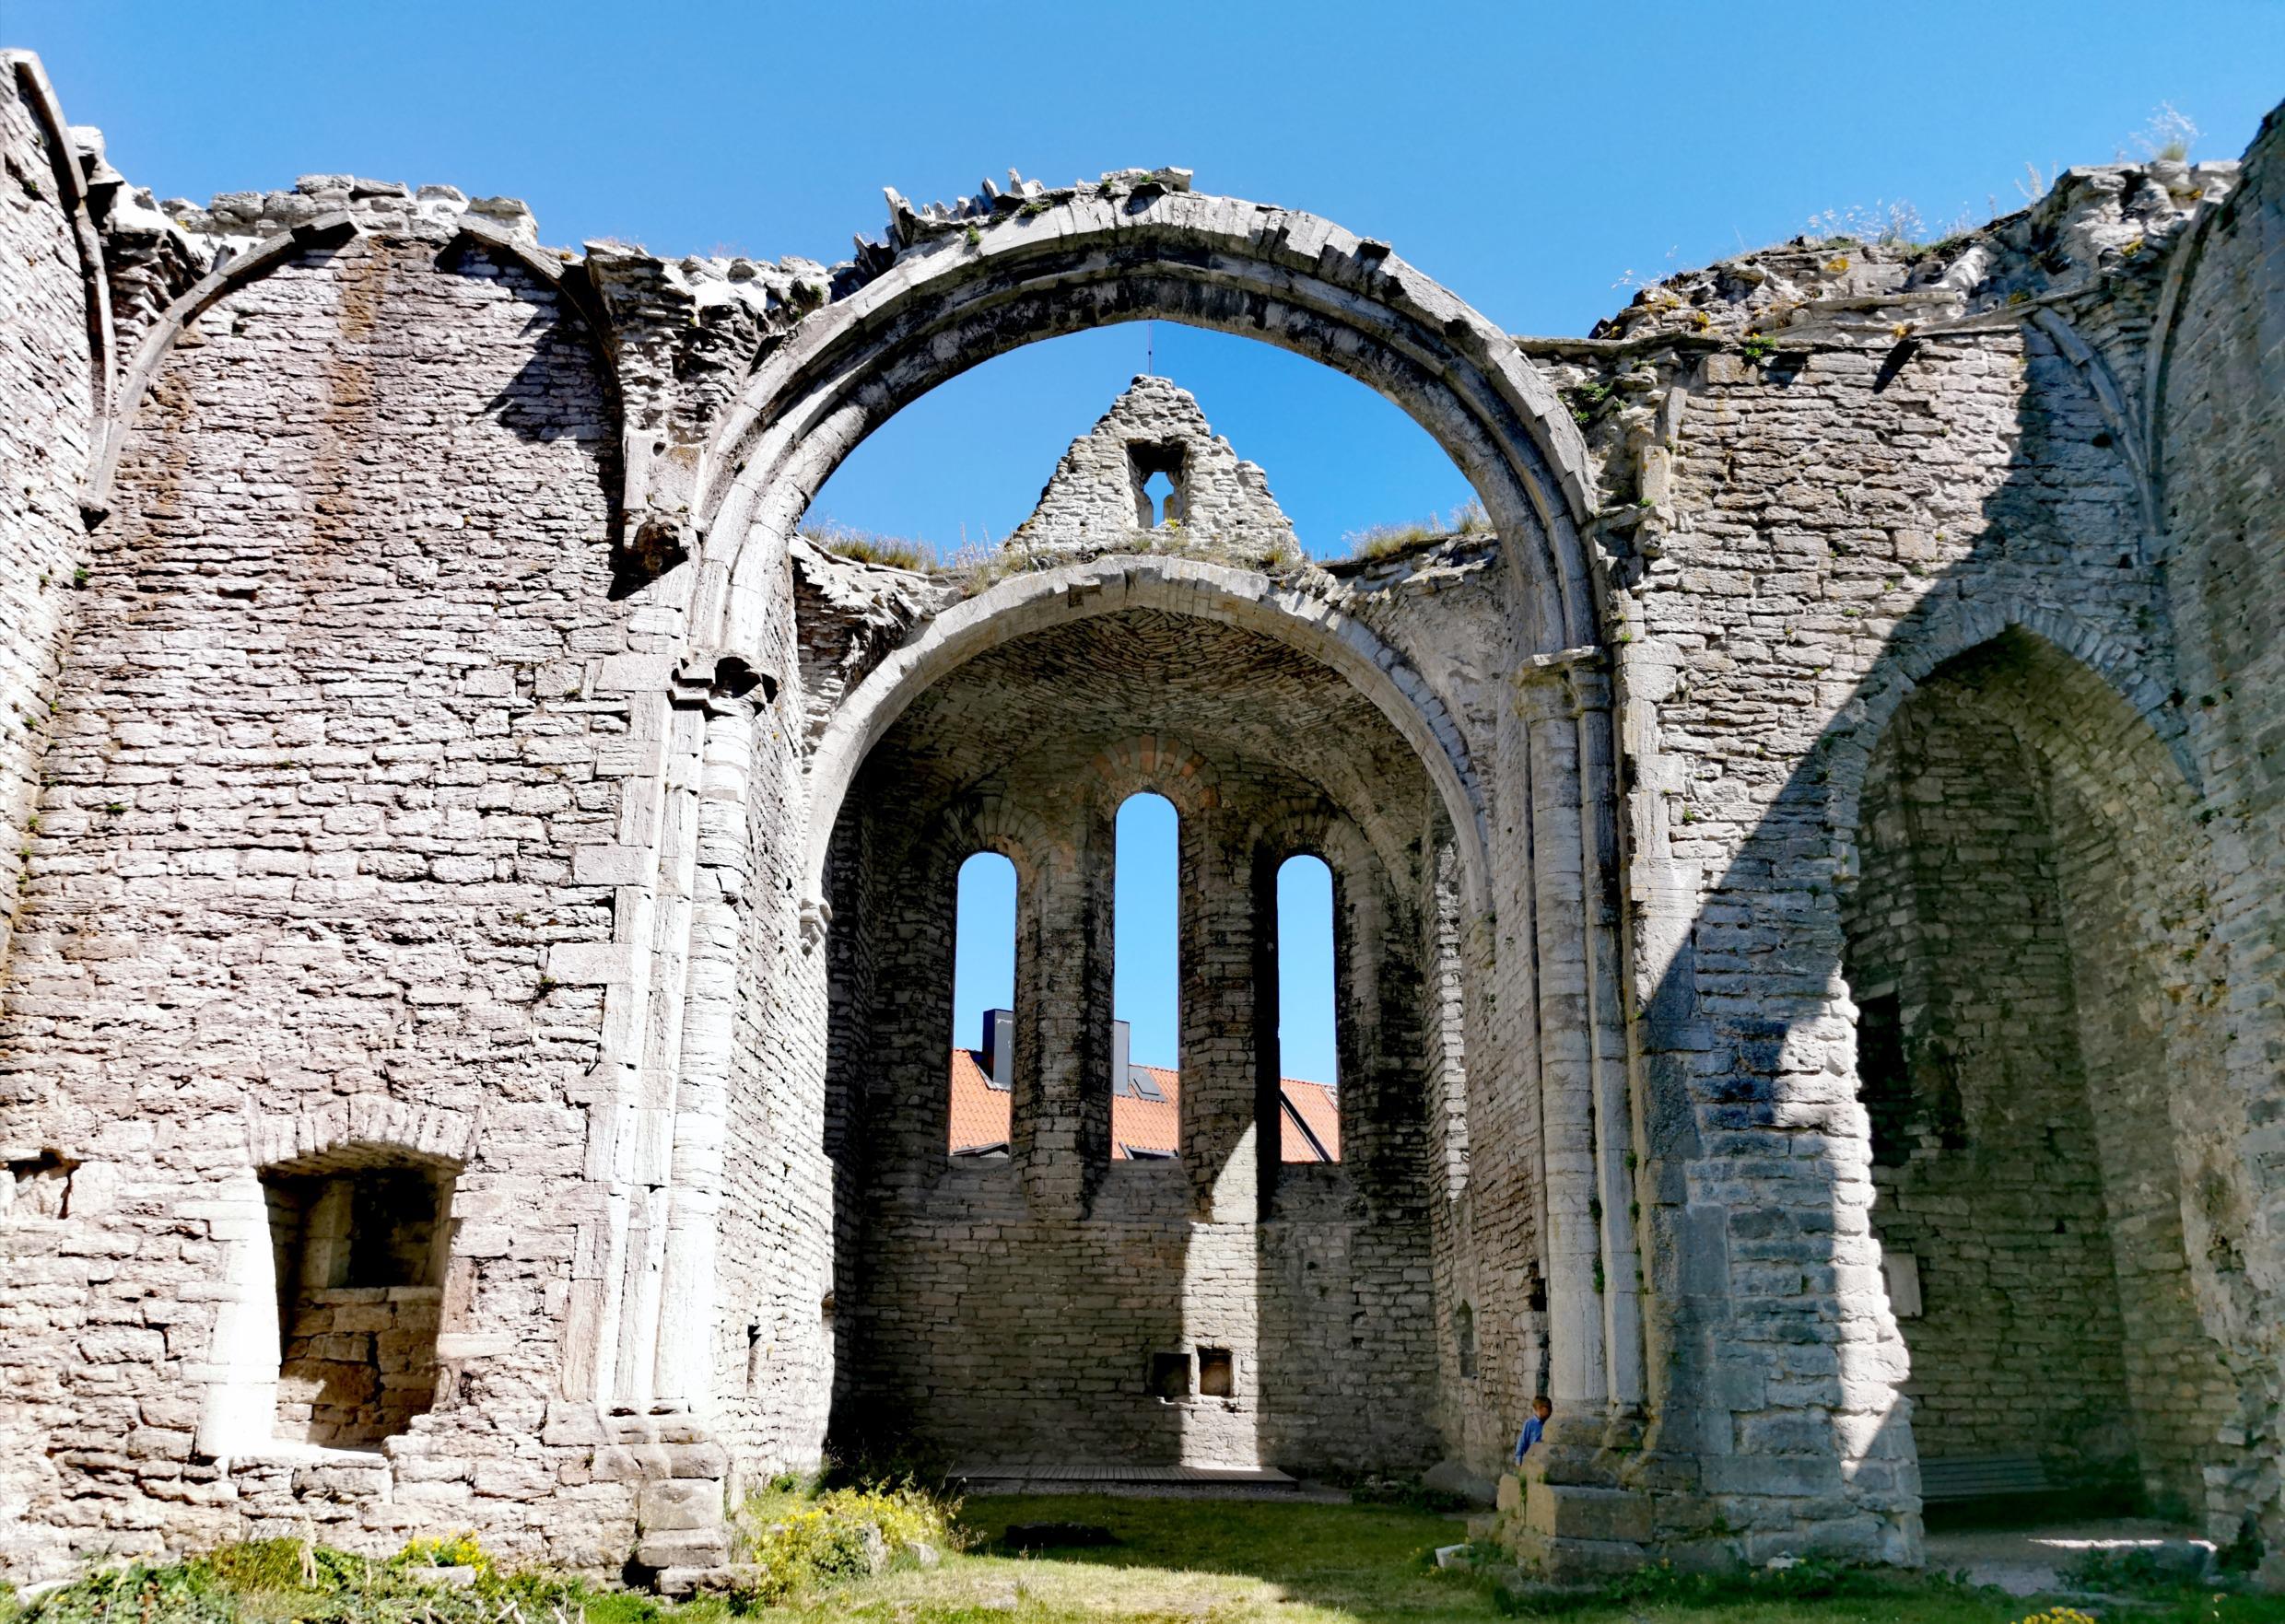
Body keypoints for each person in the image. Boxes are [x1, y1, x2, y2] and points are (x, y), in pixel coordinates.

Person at [1512, 1395, 1553, 1467]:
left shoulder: (1549, 1425)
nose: (1549, 1413)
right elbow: (1522, 1442)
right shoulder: (1530, 1423)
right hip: (1532, 1462)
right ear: (1539, 1409)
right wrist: (1518, 1461)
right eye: (1547, 1410)